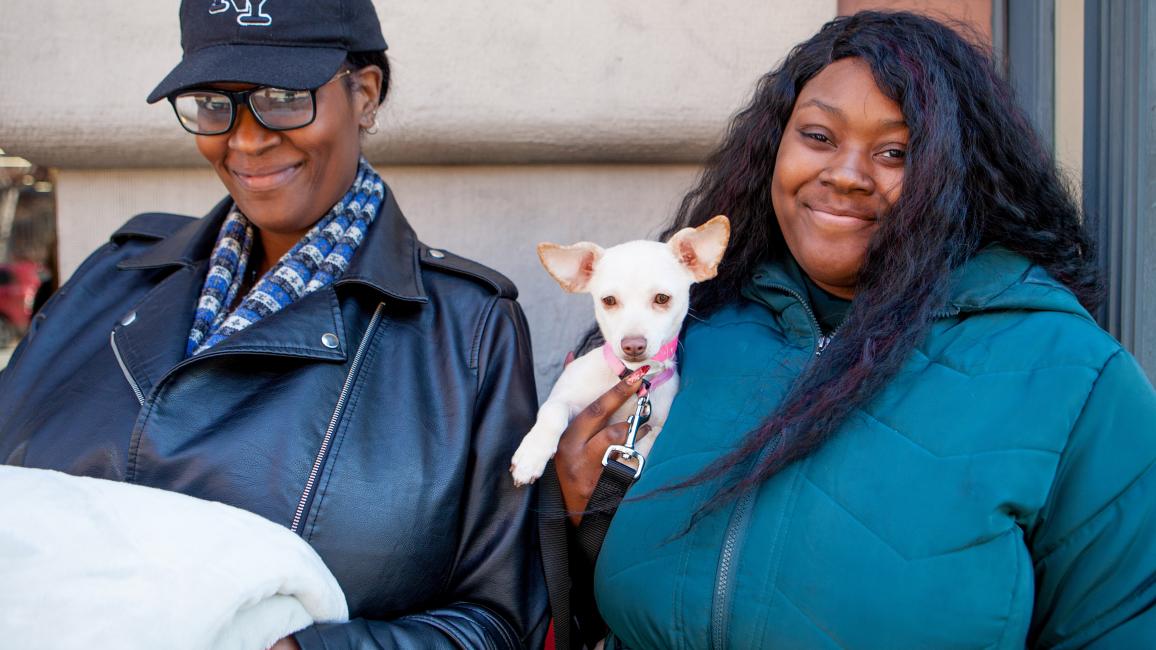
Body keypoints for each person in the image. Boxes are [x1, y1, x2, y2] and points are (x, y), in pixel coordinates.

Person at [550, 11, 1156, 649]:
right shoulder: (693, 329)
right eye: (818, 135)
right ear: (772, 150)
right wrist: (587, 519)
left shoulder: (1071, 376)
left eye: (896, 152)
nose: (845, 172)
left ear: (963, 175)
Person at [0, 1, 547, 648]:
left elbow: (496, 621)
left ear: (364, 95)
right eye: (212, 102)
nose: (246, 138)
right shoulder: (112, 277)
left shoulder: (467, 331)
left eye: (284, 98)